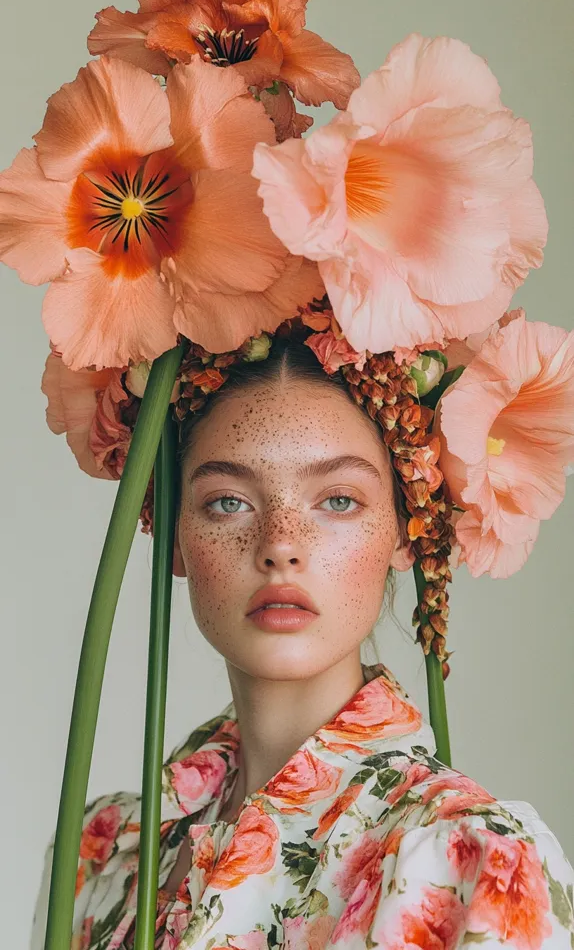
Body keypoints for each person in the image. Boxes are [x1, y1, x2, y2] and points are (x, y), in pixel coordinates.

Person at [30, 337, 574, 950]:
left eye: (338, 500)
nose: (280, 544)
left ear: (407, 528)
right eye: (229, 502)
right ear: (173, 532)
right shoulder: (102, 849)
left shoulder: (477, 864)